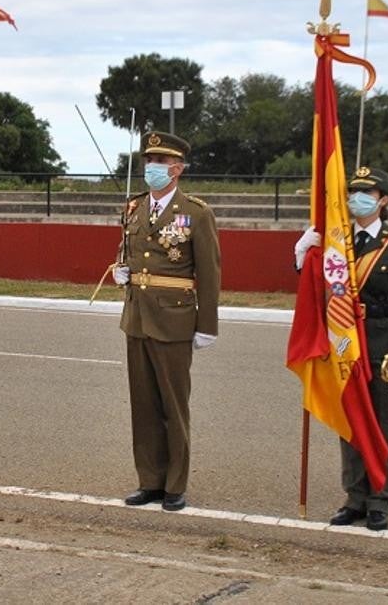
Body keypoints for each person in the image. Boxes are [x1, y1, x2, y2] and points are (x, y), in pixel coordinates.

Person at [294, 166, 388, 531]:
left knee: (382, 425)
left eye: (367, 193)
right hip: (346, 343)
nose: (356, 199)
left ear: (384, 200)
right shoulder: (339, 242)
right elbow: (318, 289)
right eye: (352, 192)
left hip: (383, 345)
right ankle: (355, 496)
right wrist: (304, 255)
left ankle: (381, 498)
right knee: (349, 422)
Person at [112, 131, 221, 512]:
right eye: (148, 161)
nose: (152, 168)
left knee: (173, 406)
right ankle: (150, 481)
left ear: (178, 168)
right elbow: (127, 254)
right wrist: (120, 272)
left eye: (160, 162)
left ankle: (175, 484)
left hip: (174, 318)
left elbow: (209, 271)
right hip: (138, 317)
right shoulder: (133, 208)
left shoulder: (196, 212)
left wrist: (207, 323)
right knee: (142, 405)